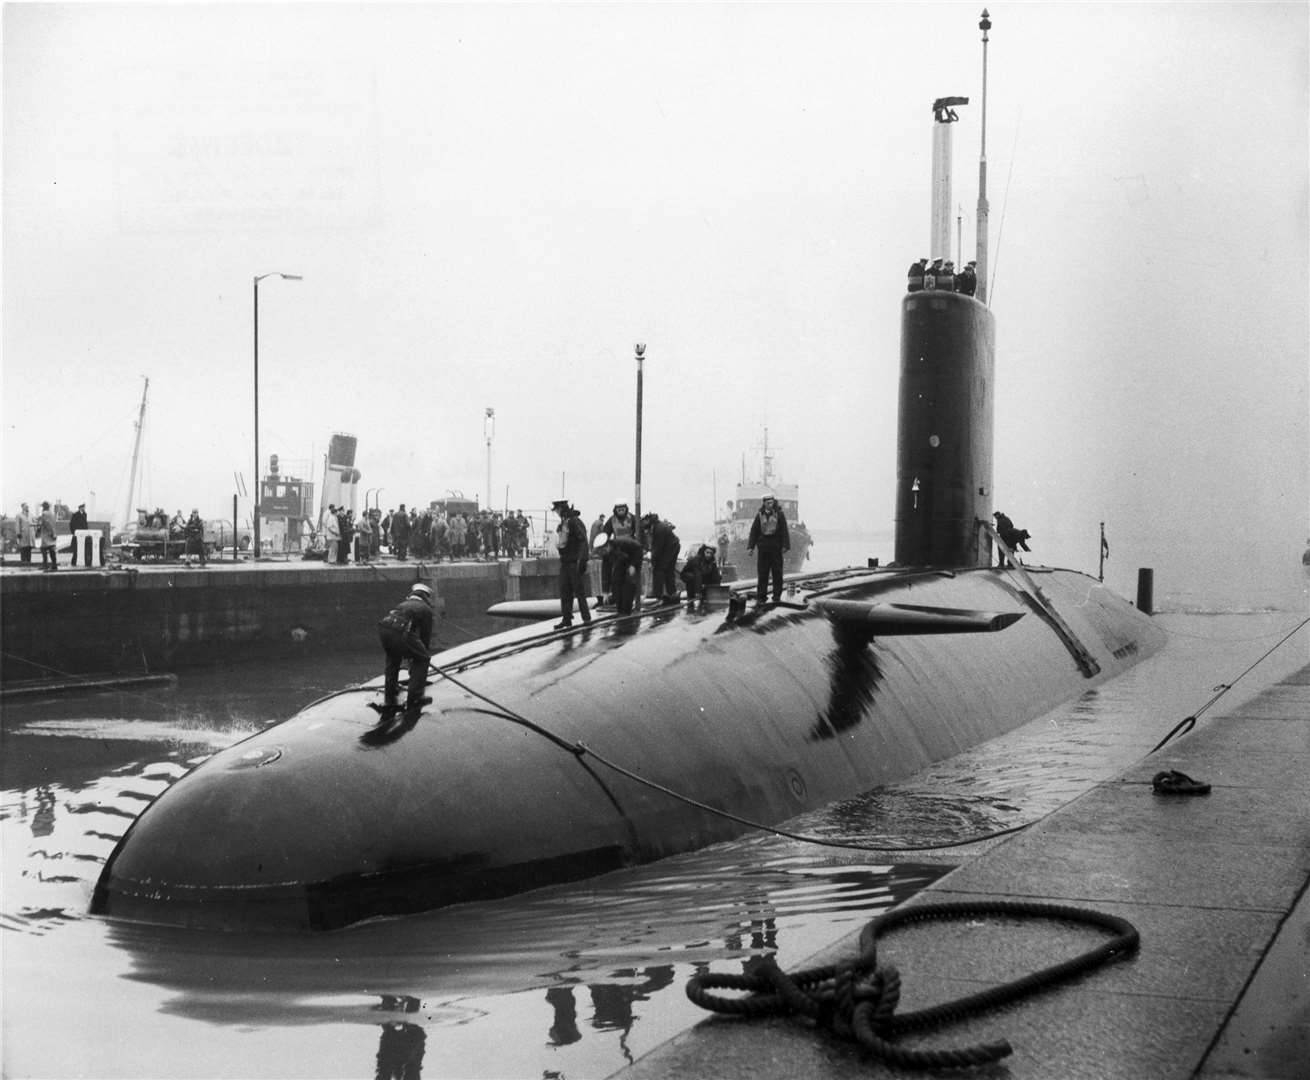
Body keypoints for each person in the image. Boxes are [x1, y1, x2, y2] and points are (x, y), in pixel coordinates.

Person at [376, 582, 436, 716]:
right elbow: (425, 637)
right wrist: (419, 656)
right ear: (426, 597)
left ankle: (390, 696)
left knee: (393, 659)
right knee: (423, 659)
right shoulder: (425, 609)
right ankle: (415, 697)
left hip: (384, 630)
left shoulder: (402, 605)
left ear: (412, 595)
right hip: (401, 632)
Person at [552, 500, 592, 628]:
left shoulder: (574, 522)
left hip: (574, 562)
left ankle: (586, 618)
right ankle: (566, 619)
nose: (556, 513)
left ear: (561, 509)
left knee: (579, 591)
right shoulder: (564, 522)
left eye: (557, 510)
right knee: (565, 591)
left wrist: (583, 559)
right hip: (565, 561)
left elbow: (583, 541)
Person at [747, 492, 790, 605]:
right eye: (768, 503)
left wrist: (785, 545)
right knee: (762, 573)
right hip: (763, 549)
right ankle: (761, 596)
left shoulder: (779, 514)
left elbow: (784, 530)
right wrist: (751, 547)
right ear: (764, 503)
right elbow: (754, 531)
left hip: (776, 548)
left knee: (777, 572)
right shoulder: (759, 515)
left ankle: (776, 596)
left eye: (771, 502)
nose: (770, 504)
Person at [601, 503, 638, 603]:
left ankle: (633, 598)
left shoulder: (633, 518)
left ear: (626, 509)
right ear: (615, 510)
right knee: (616, 575)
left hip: (631, 548)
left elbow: (640, 533)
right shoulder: (611, 520)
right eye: (619, 509)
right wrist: (606, 547)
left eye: (623, 509)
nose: (621, 511)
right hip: (618, 549)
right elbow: (604, 535)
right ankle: (616, 597)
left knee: (631, 574)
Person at [643, 512, 680, 603]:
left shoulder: (659, 529)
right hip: (670, 547)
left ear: (648, 519)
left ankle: (659, 595)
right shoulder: (656, 525)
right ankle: (671, 593)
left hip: (671, 548)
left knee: (659, 570)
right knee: (667, 571)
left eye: (643, 521)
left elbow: (658, 548)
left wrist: (651, 558)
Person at [606, 533, 644, 615]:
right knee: (616, 582)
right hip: (621, 562)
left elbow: (638, 549)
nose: (605, 551)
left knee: (629, 584)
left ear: (609, 545)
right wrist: (605, 590)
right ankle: (620, 608)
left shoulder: (624, 542)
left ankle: (627, 610)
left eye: (605, 548)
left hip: (633, 559)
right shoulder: (607, 553)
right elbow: (606, 571)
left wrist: (633, 565)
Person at [679, 544, 722, 609]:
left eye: (711, 553)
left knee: (717, 577)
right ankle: (691, 597)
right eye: (707, 552)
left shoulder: (712, 562)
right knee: (692, 578)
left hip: (701, 576)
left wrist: (716, 591)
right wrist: (697, 593)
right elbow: (697, 576)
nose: (709, 555)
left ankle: (704, 594)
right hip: (689, 575)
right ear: (703, 552)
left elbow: (716, 577)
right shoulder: (696, 560)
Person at [38, 500, 58, 571]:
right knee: (52, 549)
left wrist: (50, 533)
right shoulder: (52, 513)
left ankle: (45, 565)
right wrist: (54, 533)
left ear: (44, 507)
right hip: (52, 534)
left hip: (47, 534)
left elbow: (47, 523)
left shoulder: (44, 513)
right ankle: (54, 564)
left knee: (43, 549)